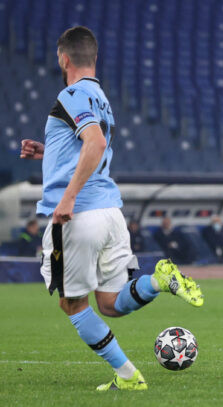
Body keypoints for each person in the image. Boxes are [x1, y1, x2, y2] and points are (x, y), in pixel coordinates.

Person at [19, 26, 203, 392]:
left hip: (80, 215)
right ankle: (158, 280)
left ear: (64, 58)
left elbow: (96, 143)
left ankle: (128, 375)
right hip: (111, 214)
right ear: (95, 58)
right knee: (109, 304)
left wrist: (68, 197)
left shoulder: (71, 93)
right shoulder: (100, 96)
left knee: (72, 305)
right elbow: (87, 145)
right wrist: (48, 151)